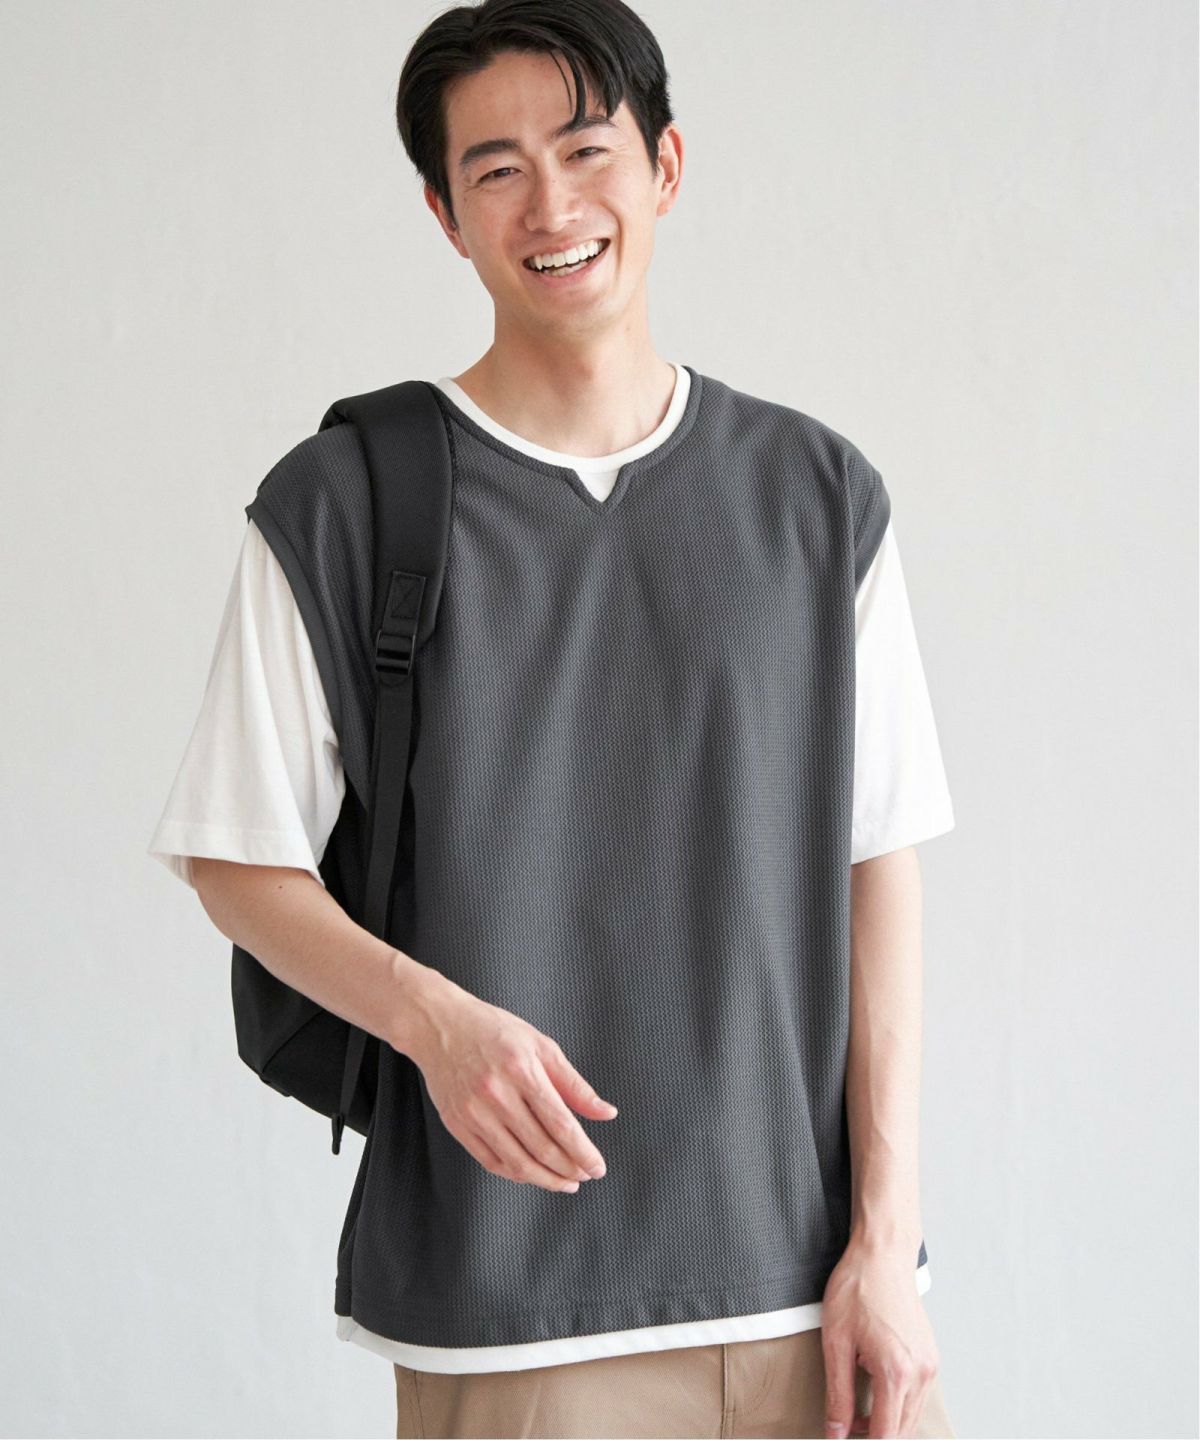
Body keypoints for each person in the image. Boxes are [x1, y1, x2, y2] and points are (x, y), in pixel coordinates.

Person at [147, 2, 958, 1436]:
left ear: (665, 166)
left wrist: (884, 1247)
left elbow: (876, 869)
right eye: (497, 169)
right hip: (511, 1313)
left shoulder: (818, 498)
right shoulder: (345, 505)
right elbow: (237, 860)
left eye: (587, 150)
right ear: (444, 214)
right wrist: (437, 1025)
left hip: (815, 1295)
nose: (552, 206)